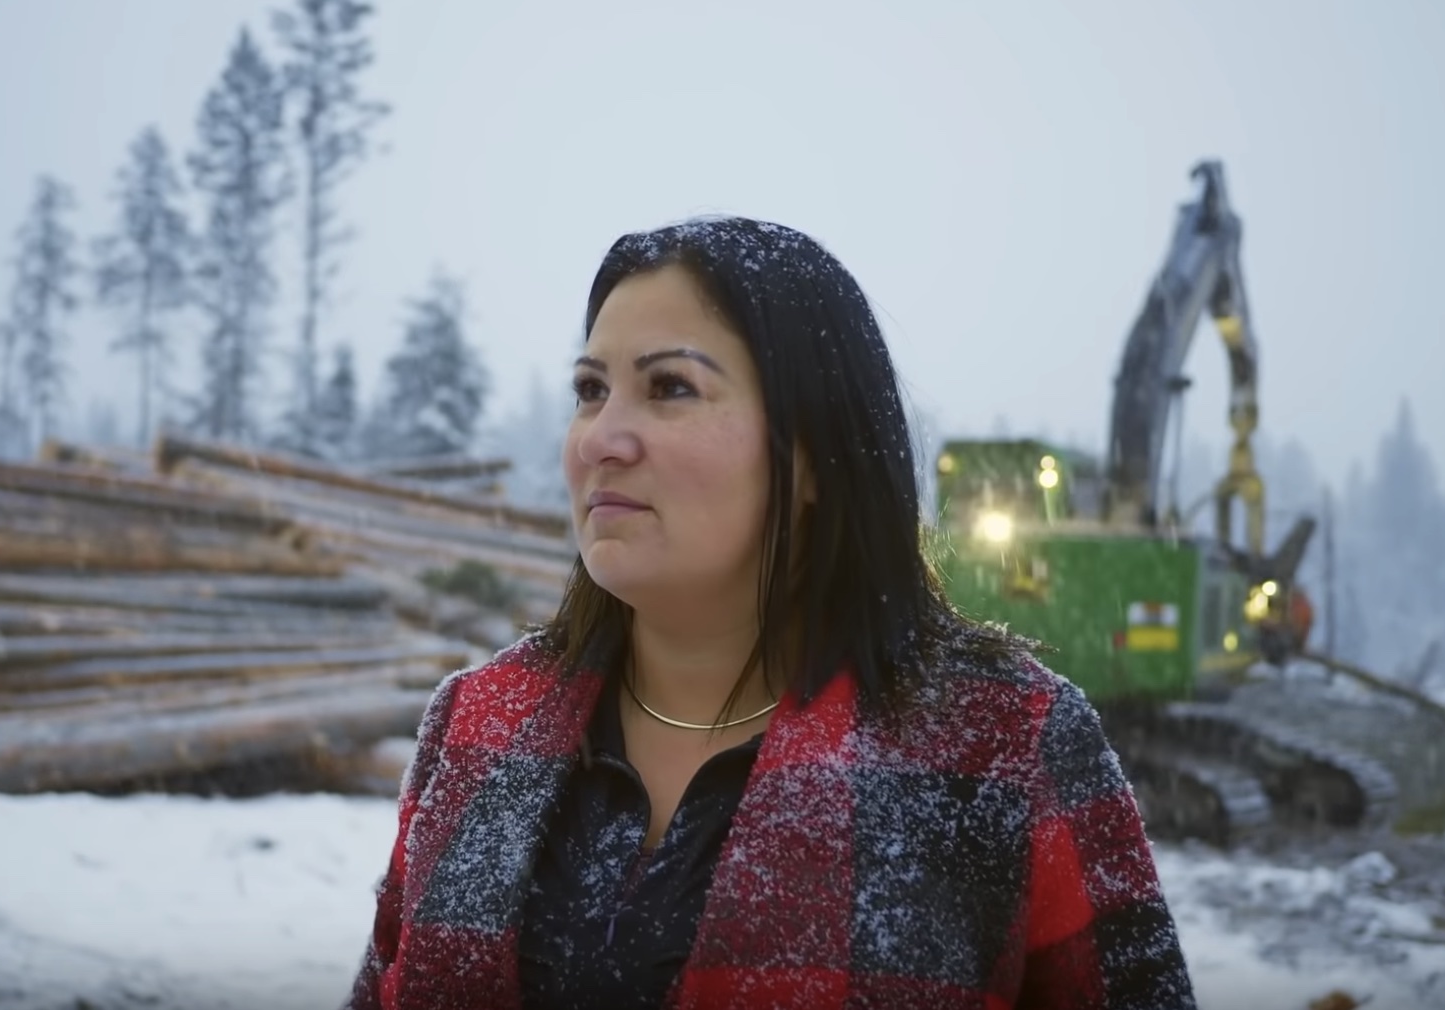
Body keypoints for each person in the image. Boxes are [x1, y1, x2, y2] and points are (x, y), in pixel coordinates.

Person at [344, 216, 1198, 1010]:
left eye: (670, 387)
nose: (601, 436)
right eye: (591, 388)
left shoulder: (1004, 740)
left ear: (817, 451)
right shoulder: (477, 724)